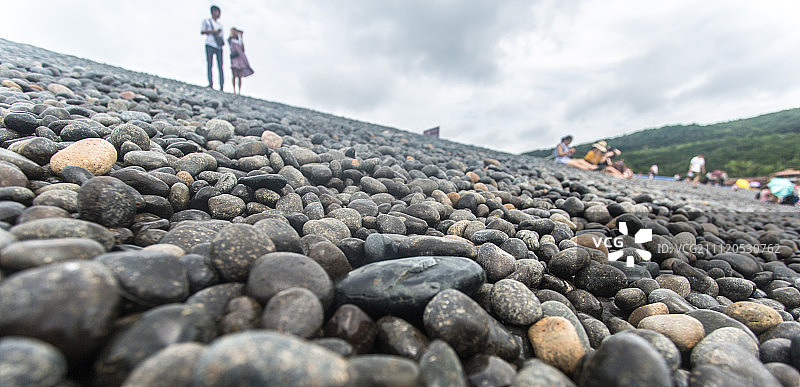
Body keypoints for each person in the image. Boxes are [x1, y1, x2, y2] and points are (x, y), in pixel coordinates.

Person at [201, 5, 224, 91]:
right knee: (210, 64)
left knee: (220, 66)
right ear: (213, 12)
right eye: (218, 12)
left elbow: (222, 37)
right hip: (209, 44)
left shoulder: (220, 25)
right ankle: (210, 83)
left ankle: (221, 86)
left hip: (218, 46)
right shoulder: (207, 21)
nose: (219, 14)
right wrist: (213, 31)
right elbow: (202, 31)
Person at [228, 28, 254, 95]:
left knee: (239, 75)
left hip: (240, 58)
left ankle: (239, 91)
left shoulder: (239, 41)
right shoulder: (230, 40)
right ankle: (234, 90)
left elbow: (243, 49)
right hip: (234, 58)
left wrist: (241, 38)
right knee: (234, 74)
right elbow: (230, 38)